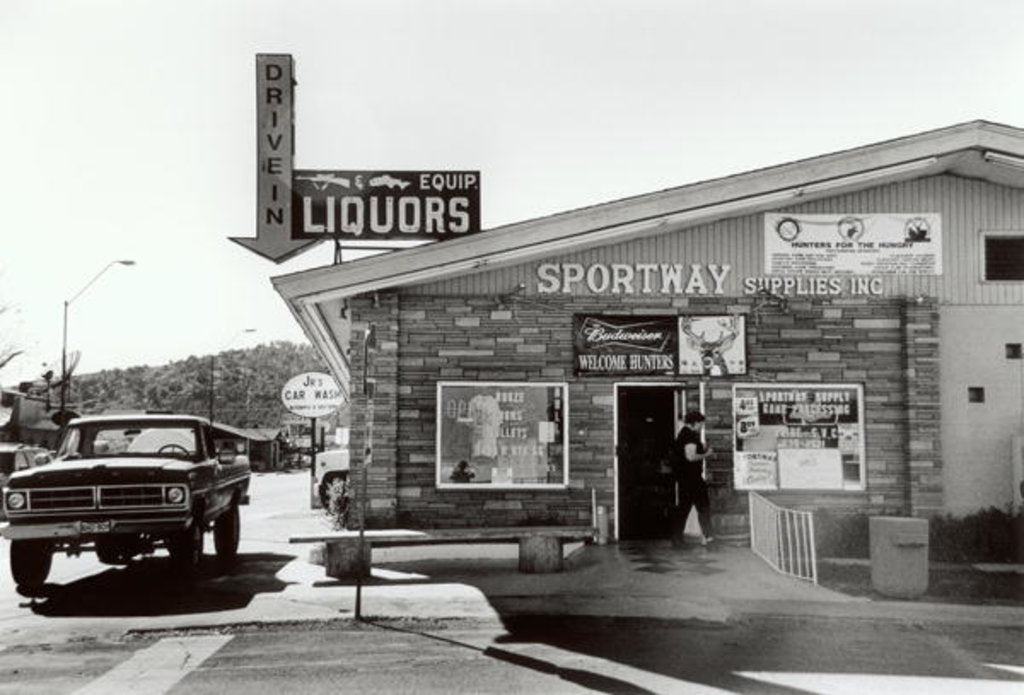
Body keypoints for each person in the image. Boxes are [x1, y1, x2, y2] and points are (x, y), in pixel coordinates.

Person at [669, 410, 714, 546]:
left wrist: (701, 449)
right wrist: (707, 454)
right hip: (692, 478)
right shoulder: (690, 435)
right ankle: (709, 537)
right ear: (694, 423)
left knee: (684, 508)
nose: (701, 427)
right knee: (703, 507)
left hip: (684, 478)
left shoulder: (683, 434)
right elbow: (690, 456)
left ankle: (677, 538)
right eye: (700, 424)